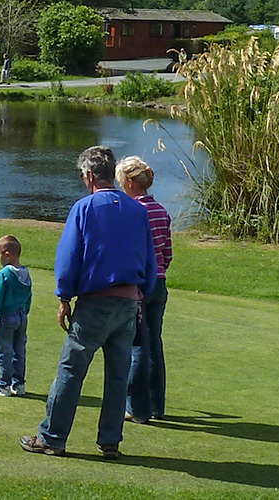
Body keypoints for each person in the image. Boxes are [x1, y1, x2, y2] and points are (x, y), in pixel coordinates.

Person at [19, 146, 157, 460]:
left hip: (96, 304)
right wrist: (140, 297)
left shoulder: (84, 208)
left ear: (90, 176)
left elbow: (68, 258)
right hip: (128, 303)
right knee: (118, 375)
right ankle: (110, 441)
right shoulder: (138, 210)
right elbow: (150, 260)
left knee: (71, 370)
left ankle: (52, 437)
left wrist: (64, 297)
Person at [117, 157, 173, 424]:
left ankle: (137, 408)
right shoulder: (161, 211)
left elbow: (131, 252)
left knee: (138, 343)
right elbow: (167, 253)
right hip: (159, 283)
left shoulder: (131, 212)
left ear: (129, 182)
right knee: (154, 343)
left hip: (139, 284)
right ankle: (155, 406)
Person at [0, 235, 32, 397]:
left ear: (7, 255)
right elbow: (28, 297)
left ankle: (3, 385)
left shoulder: (3, 274)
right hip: (21, 317)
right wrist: (25, 311)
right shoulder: (26, 273)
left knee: (3, 351)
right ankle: (18, 384)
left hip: (6, 317)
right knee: (19, 350)